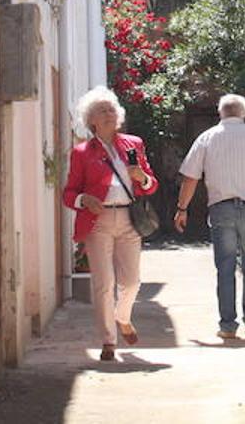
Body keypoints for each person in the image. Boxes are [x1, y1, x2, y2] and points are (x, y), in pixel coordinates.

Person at [62, 86, 158, 362]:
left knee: (131, 281)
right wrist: (83, 199)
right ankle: (108, 341)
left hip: (129, 217)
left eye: (112, 109)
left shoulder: (133, 144)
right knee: (104, 283)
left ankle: (123, 317)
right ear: (91, 120)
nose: (109, 114)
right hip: (99, 220)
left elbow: (151, 185)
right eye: (102, 110)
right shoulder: (82, 152)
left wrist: (143, 178)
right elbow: (68, 194)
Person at [173, 94, 245, 339]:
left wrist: (182, 208)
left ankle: (228, 325)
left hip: (221, 208)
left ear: (220, 113)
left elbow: (190, 176)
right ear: (244, 112)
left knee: (225, 267)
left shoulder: (206, 137)